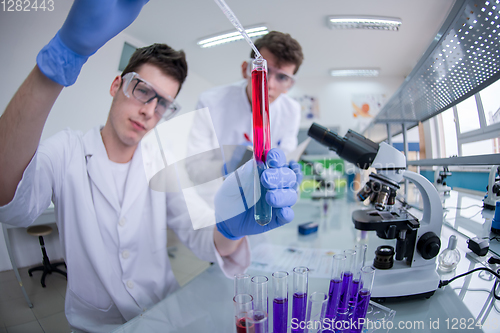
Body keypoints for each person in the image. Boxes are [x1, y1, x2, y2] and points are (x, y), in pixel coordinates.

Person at [0, 1, 300, 332]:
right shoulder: (67, 150)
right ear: (116, 86)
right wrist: (58, 62)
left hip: (165, 316)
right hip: (93, 325)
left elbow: (199, 236)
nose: (149, 111)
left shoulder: (163, 160)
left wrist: (230, 229)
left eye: (163, 104)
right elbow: (12, 205)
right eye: (142, 90)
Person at [186, 31, 304, 205]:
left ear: (289, 85)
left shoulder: (291, 111)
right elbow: (194, 166)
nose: (269, 84)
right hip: (214, 203)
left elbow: (288, 154)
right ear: (245, 70)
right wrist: (224, 166)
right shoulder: (211, 102)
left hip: (262, 203)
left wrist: (286, 175)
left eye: (282, 77)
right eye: (264, 71)